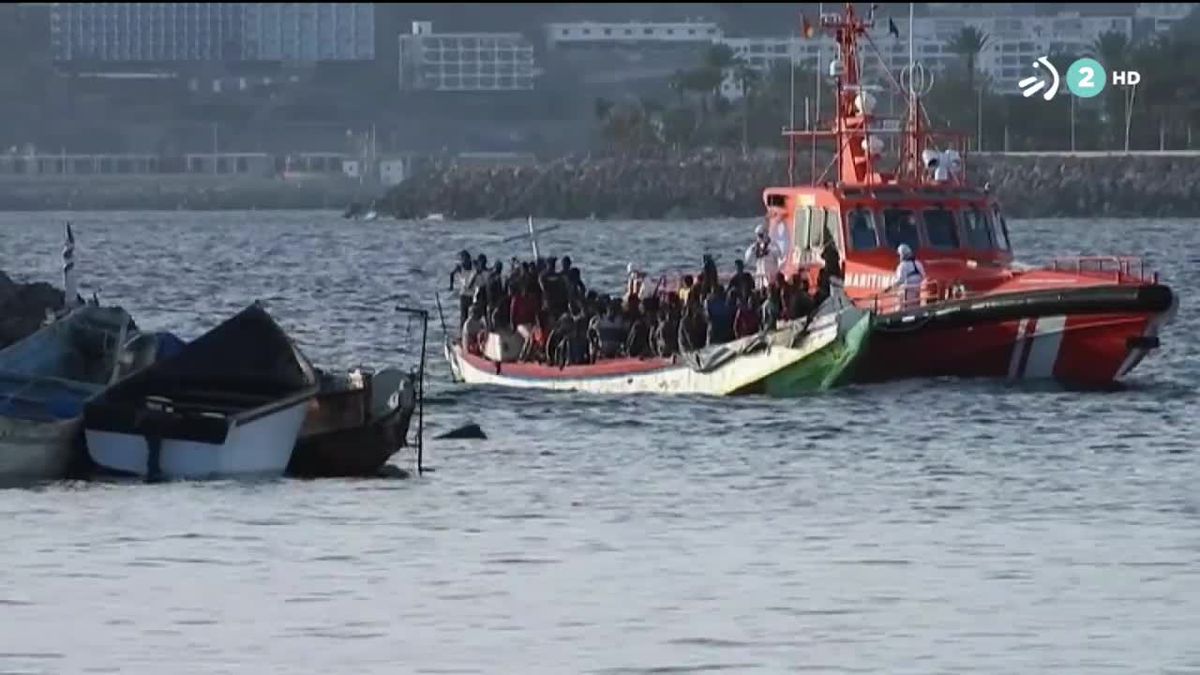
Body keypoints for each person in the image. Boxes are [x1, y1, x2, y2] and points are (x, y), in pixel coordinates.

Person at [744, 222, 783, 290]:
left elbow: (780, 259)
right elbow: (747, 260)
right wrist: (753, 249)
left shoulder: (773, 246)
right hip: (760, 279)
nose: (759, 237)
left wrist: (776, 273)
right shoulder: (755, 248)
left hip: (770, 278)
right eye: (758, 235)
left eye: (761, 235)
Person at [893, 243, 926, 309]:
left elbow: (900, 280)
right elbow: (923, 276)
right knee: (916, 307)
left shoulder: (902, 266)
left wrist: (892, 287)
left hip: (907, 291)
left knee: (902, 307)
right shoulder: (918, 263)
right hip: (918, 290)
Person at [449, 250, 474, 326]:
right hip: (463, 294)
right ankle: (462, 331)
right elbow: (451, 274)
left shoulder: (473, 265)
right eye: (462, 259)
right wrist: (451, 286)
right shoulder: (460, 267)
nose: (464, 261)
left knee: (473, 314)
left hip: (473, 293)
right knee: (463, 316)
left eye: (465, 258)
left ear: (469, 258)